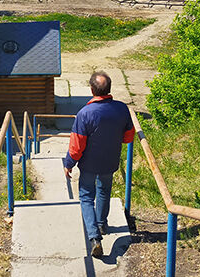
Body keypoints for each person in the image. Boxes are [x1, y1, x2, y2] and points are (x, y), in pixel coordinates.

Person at [63, 71, 134, 258]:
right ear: (108, 89)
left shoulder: (84, 114)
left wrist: (69, 163)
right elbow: (129, 137)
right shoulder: (122, 109)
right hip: (110, 160)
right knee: (104, 190)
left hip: (89, 164)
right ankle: (102, 224)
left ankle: (94, 238)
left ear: (92, 89)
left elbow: (77, 146)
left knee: (86, 196)